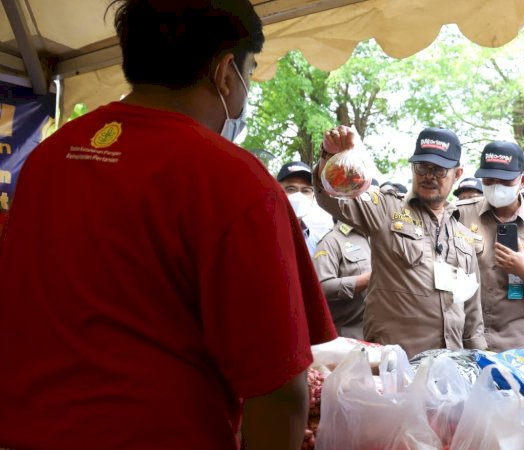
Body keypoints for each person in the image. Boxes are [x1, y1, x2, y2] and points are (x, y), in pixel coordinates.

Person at [0, 2, 338, 449]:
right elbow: (278, 392)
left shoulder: (48, 157)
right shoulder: (236, 182)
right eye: (249, 72)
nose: (246, 89)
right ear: (224, 74)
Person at [314, 126, 486, 358]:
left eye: (439, 170)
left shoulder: (464, 236)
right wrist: (329, 156)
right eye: (422, 167)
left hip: (450, 367)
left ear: (457, 174)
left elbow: (472, 314)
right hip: (394, 365)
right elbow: (332, 198)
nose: (429, 175)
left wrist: (479, 359)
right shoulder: (385, 208)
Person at [456, 141, 524, 351]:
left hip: (513, 347)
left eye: (505, 181)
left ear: (522, 180)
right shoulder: (458, 215)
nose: (496, 186)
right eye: (488, 179)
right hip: (461, 341)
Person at [313, 220, 372, 339]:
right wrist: (368, 279)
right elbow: (322, 287)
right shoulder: (331, 241)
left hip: (384, 333)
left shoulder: (378, 234)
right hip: (353, 337)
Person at [277, 161, 329, 255]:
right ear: (276, 191)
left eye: (306, 191)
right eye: (291, 189)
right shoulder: (260, 236)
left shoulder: (318, 242)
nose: (298, 197)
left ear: (313, 197)